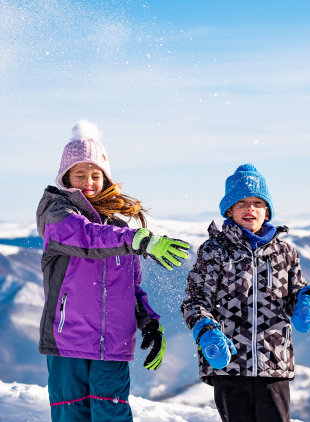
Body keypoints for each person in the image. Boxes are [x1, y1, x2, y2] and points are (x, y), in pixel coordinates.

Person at [36, 120, 190, 422]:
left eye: (96, 174)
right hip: (69, 340)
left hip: (114, 344)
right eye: (79, 173)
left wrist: (149, 322)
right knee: (72, 415)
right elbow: (84, 237)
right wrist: (137, 240)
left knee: (113, 415)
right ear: (66, 176)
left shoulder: (120, 230)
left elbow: (131, 288)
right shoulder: (55, 213)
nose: (88, 181)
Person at [182, 163, 310, 422]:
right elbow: (195, 300)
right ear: (230, 210)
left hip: (274, 362)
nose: (250, 209)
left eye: (258, 203)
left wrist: (308, 299)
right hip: (229, 363)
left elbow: (295, 291)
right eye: (242, 203)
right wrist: (205, 330)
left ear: (267, 211)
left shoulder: (285, 252)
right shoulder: (215, 250)